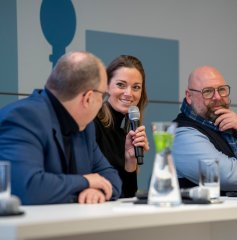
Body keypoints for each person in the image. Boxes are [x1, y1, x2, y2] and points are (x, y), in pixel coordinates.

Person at [0, 51, 122, 205]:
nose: (102, 102)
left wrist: (95, 190)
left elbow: (111, 178)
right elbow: (28, 187)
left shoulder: (86, 128)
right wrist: (85, 182)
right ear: (88, 98)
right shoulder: (23, 117)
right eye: (103, 96)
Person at [172, 65, 237, 193]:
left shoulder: (232, 124)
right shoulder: (180, 134)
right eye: (208, 91)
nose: (218, 97)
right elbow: (228, 176)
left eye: (221, 89)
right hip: (201, 213)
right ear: (189, 96)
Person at [94, 55, 149, 198]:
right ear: (106, 86)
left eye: (136, 87)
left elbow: (128, 195)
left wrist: (130, 163)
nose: (128, 93)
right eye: (121, 85)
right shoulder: (92, 124)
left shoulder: (125, 135)